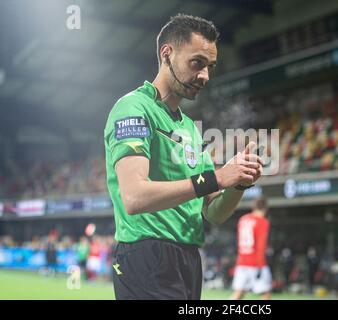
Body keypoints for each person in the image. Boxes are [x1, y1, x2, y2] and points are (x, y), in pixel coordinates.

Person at [104, 14, 263, 300]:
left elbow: (212, 212)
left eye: (210, 66)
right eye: (197, 63)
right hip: (146, 256)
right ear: (167, 54)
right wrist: (215, 177)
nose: (205, 75)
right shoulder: (133, 108)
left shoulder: (189, 127)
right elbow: (135, 197)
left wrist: (238, 182)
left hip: (188, 258)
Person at [230, 197, 272, 300]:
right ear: (265, 208)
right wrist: (260, 265)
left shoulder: (243, 219)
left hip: (242, 261)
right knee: (265, 294)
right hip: (256, 262)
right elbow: (261, 245)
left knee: (238, 293)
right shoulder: (262, 222)